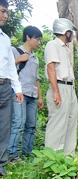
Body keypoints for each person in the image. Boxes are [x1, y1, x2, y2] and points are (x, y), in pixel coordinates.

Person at [8, 26, 43, 162]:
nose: (39, 42)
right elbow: (6, 68)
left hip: (32, 95)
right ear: (28, 37)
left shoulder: (35, 58)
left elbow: (37, 79)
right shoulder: (14, 51)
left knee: (31, 125)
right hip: (19, 93)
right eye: (37, 39)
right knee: (18, 123)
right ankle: (12, 154)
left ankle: (27, 154)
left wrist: (40, 97)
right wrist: (18, 60)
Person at [44, 18, 78, 155]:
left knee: (71, 122)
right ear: (66, 32)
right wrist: (56, 92)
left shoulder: (65, 48)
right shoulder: (52, 45)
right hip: (59, 86)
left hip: (69, 87)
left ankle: (69, 157)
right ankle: (52, 158)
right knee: (57, 123)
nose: (72, 35)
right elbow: (51, 68)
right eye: (71, 32)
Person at [0, 0, 23, 177]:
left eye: (6, 12)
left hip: (5, 87)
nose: (5, 16)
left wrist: (18, 89)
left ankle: (1, 165)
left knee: (4, 126)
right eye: (2, 11)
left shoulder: (5, 39)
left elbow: (9, 68)